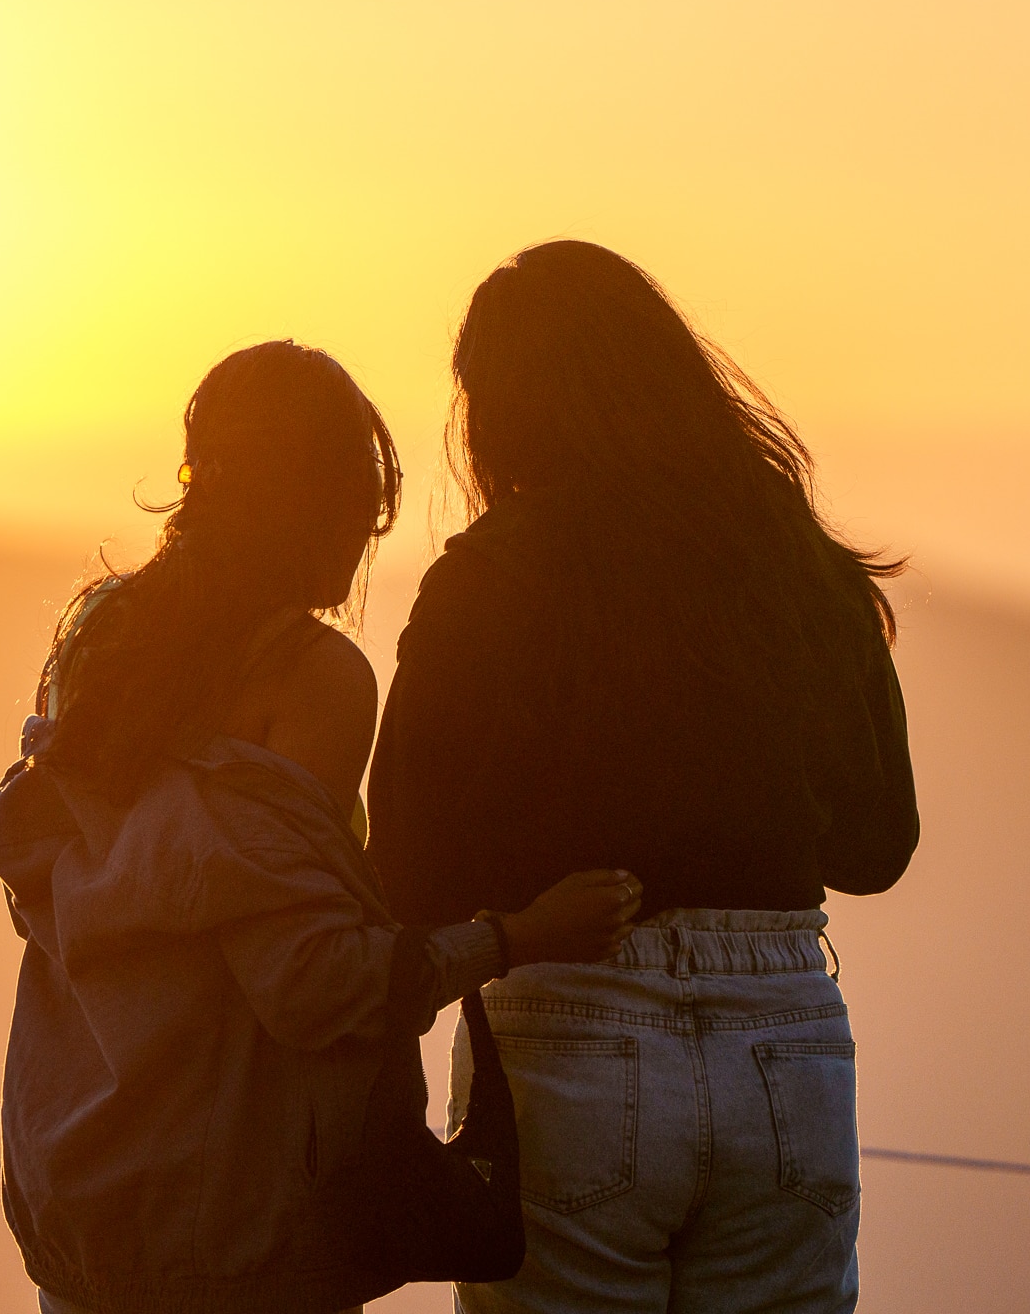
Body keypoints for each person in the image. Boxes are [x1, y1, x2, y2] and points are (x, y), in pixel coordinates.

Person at [0, 339, 642, 1314]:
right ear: (315, 504)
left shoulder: (95, 640)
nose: (366, 542)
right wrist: (520, 937)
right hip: (237, 1225)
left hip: (80, 1196)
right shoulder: (310, 675)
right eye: (364, 509)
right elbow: (314, 987)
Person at [368, 242, 919, 1314]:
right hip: (786, 1042)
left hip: (570, 1023)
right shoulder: (802, 570)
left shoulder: (488, 578)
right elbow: (877, 848)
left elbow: (408, 878)